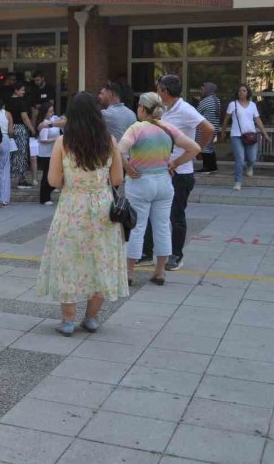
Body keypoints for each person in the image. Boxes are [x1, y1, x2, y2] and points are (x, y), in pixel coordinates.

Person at [35, 92, 127, 337]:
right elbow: (117, 178)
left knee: (69, 259)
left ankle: (67, 320)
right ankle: (92, 318)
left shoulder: (63, 143)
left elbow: (53, 180)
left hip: (72, 205)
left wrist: (73, 178)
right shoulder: (108, 141)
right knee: (100, 258)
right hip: (102, 206)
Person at [119, 93, 200, 286]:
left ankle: (129, 272)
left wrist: (128, 168)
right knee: (163, 227)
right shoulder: (168, 128)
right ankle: (160, 271)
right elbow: (194, 147)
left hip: (140, 182)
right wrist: (174, 164)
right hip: (164, 181)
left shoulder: (136, 128)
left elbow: (118, 149)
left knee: (136, 227)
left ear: (141, 108)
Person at [141, 75, 215, 272]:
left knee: (175, 215)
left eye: (158, 89)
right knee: (150, 212)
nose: (156, 92)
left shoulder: (185, 110)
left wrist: (196, 149)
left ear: (165, 91)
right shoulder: (162, 109)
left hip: (180, 172)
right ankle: (146, 253)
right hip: (158, 170)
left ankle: (176, 255)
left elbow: (209, 128)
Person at [220, 84, 271, 191]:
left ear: (248, 92)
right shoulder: (232, 104)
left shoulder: (252, 105)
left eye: (244, 90)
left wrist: (265, 134)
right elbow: (226, 120)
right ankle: (238, 182)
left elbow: (258, 120)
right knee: (240, 159)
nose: (241, 92)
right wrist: (223, 132)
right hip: (236, 135)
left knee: (252, 158)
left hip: (251, 135)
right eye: (239, 91)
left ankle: (249, 166)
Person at [7, 83, 35, 188]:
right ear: (16, 90)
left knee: (10, 154)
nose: (23, 92)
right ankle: (21, 179)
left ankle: (8, 178)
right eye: (22, 90)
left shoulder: (8, 101)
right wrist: (32, 129)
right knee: (21, 154)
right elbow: (24, 117)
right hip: (20, 129)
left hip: (10, 129)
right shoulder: (21, 102)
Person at [37, 103, 61, 205]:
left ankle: (47, 193)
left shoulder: (54, 119)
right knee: (46, 175)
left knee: (54, 173)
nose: (52, 113)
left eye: (52, 110)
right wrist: (55, 139)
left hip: (54, 151)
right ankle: (44, 197)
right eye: (50, 111)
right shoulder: (43, 123)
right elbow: (43, 139)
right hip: (46, 153)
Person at [195, 82, 222, 174]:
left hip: (205, 127)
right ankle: (213, 167)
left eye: (202, 89)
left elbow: (197, 112)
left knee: (204, 146)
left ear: (207, 89)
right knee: (209, 146)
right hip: (214, 126)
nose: (201, 91)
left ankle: (207, 167)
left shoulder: (206, 100)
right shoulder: (216, 100)